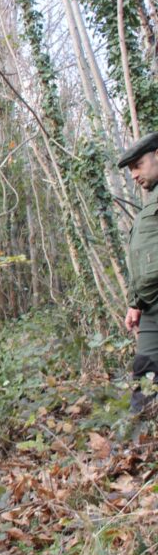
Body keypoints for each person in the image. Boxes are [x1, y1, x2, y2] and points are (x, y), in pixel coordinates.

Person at [119, 132, 158, 413]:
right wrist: (135, 302)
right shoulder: (151, 201)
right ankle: (140, 445)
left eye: (138, 165)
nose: (134, 174)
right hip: (151, 308)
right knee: (144, 373)